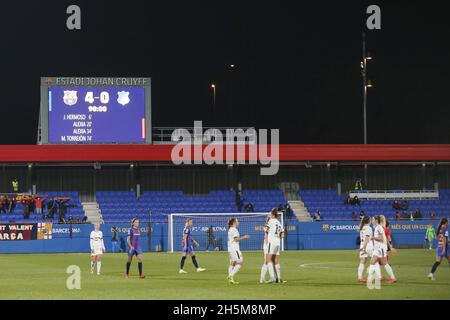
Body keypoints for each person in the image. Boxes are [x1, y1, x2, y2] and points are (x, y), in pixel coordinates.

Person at [264, 208, 286, 283]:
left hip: (272, 241)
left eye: (270, 214)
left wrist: (265, 226)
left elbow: (266, 230)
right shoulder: (279, 222)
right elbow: (282, 235)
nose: (269, 215)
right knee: (276, 261)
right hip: (278, 242)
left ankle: (272, 277)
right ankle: (279, 278)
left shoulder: (271, 221)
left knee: (268, 259)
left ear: (273, 215)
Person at [227, 218, 250, 284]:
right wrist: (244, 237)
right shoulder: (234, 229)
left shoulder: (230, 229)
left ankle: (230, 277)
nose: (238, 222)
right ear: (234, 222)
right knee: (240, 262)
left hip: (230, 248)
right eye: (237, 221)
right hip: (234, 248)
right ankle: (231, 276)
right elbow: (236, 239)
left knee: (233, 263)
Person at [366, 215, 386, 290]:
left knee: (378, 262)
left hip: (380, 248)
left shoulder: (378, 227)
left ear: (376, 220)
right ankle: (376, 277)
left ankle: (370, 279)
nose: (372, 220)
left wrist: (373, 238)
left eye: (373, 219)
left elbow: (380, 238)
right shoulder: (376, 227)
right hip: (377, 248)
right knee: (373, 262)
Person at [380, 217, 397, 283]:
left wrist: (391, 247)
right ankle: (380, 276)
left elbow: (388, 239)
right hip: (380, 248)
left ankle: (392, 278)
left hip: (382, 248)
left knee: (383, 262)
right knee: (376, 262)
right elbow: (388, 239)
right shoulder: (382, 229)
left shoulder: (384, 229)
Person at [357, 215, 373, 283]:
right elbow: (367, 239)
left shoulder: (362, 228)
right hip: (368, 245)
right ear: (369, 221)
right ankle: (374, 276)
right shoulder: (368, 228)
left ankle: (360, 278)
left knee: (362, 261)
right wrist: (364, 248)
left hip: (362, 245)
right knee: (376, 259)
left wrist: (362, 247)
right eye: (371, 219)